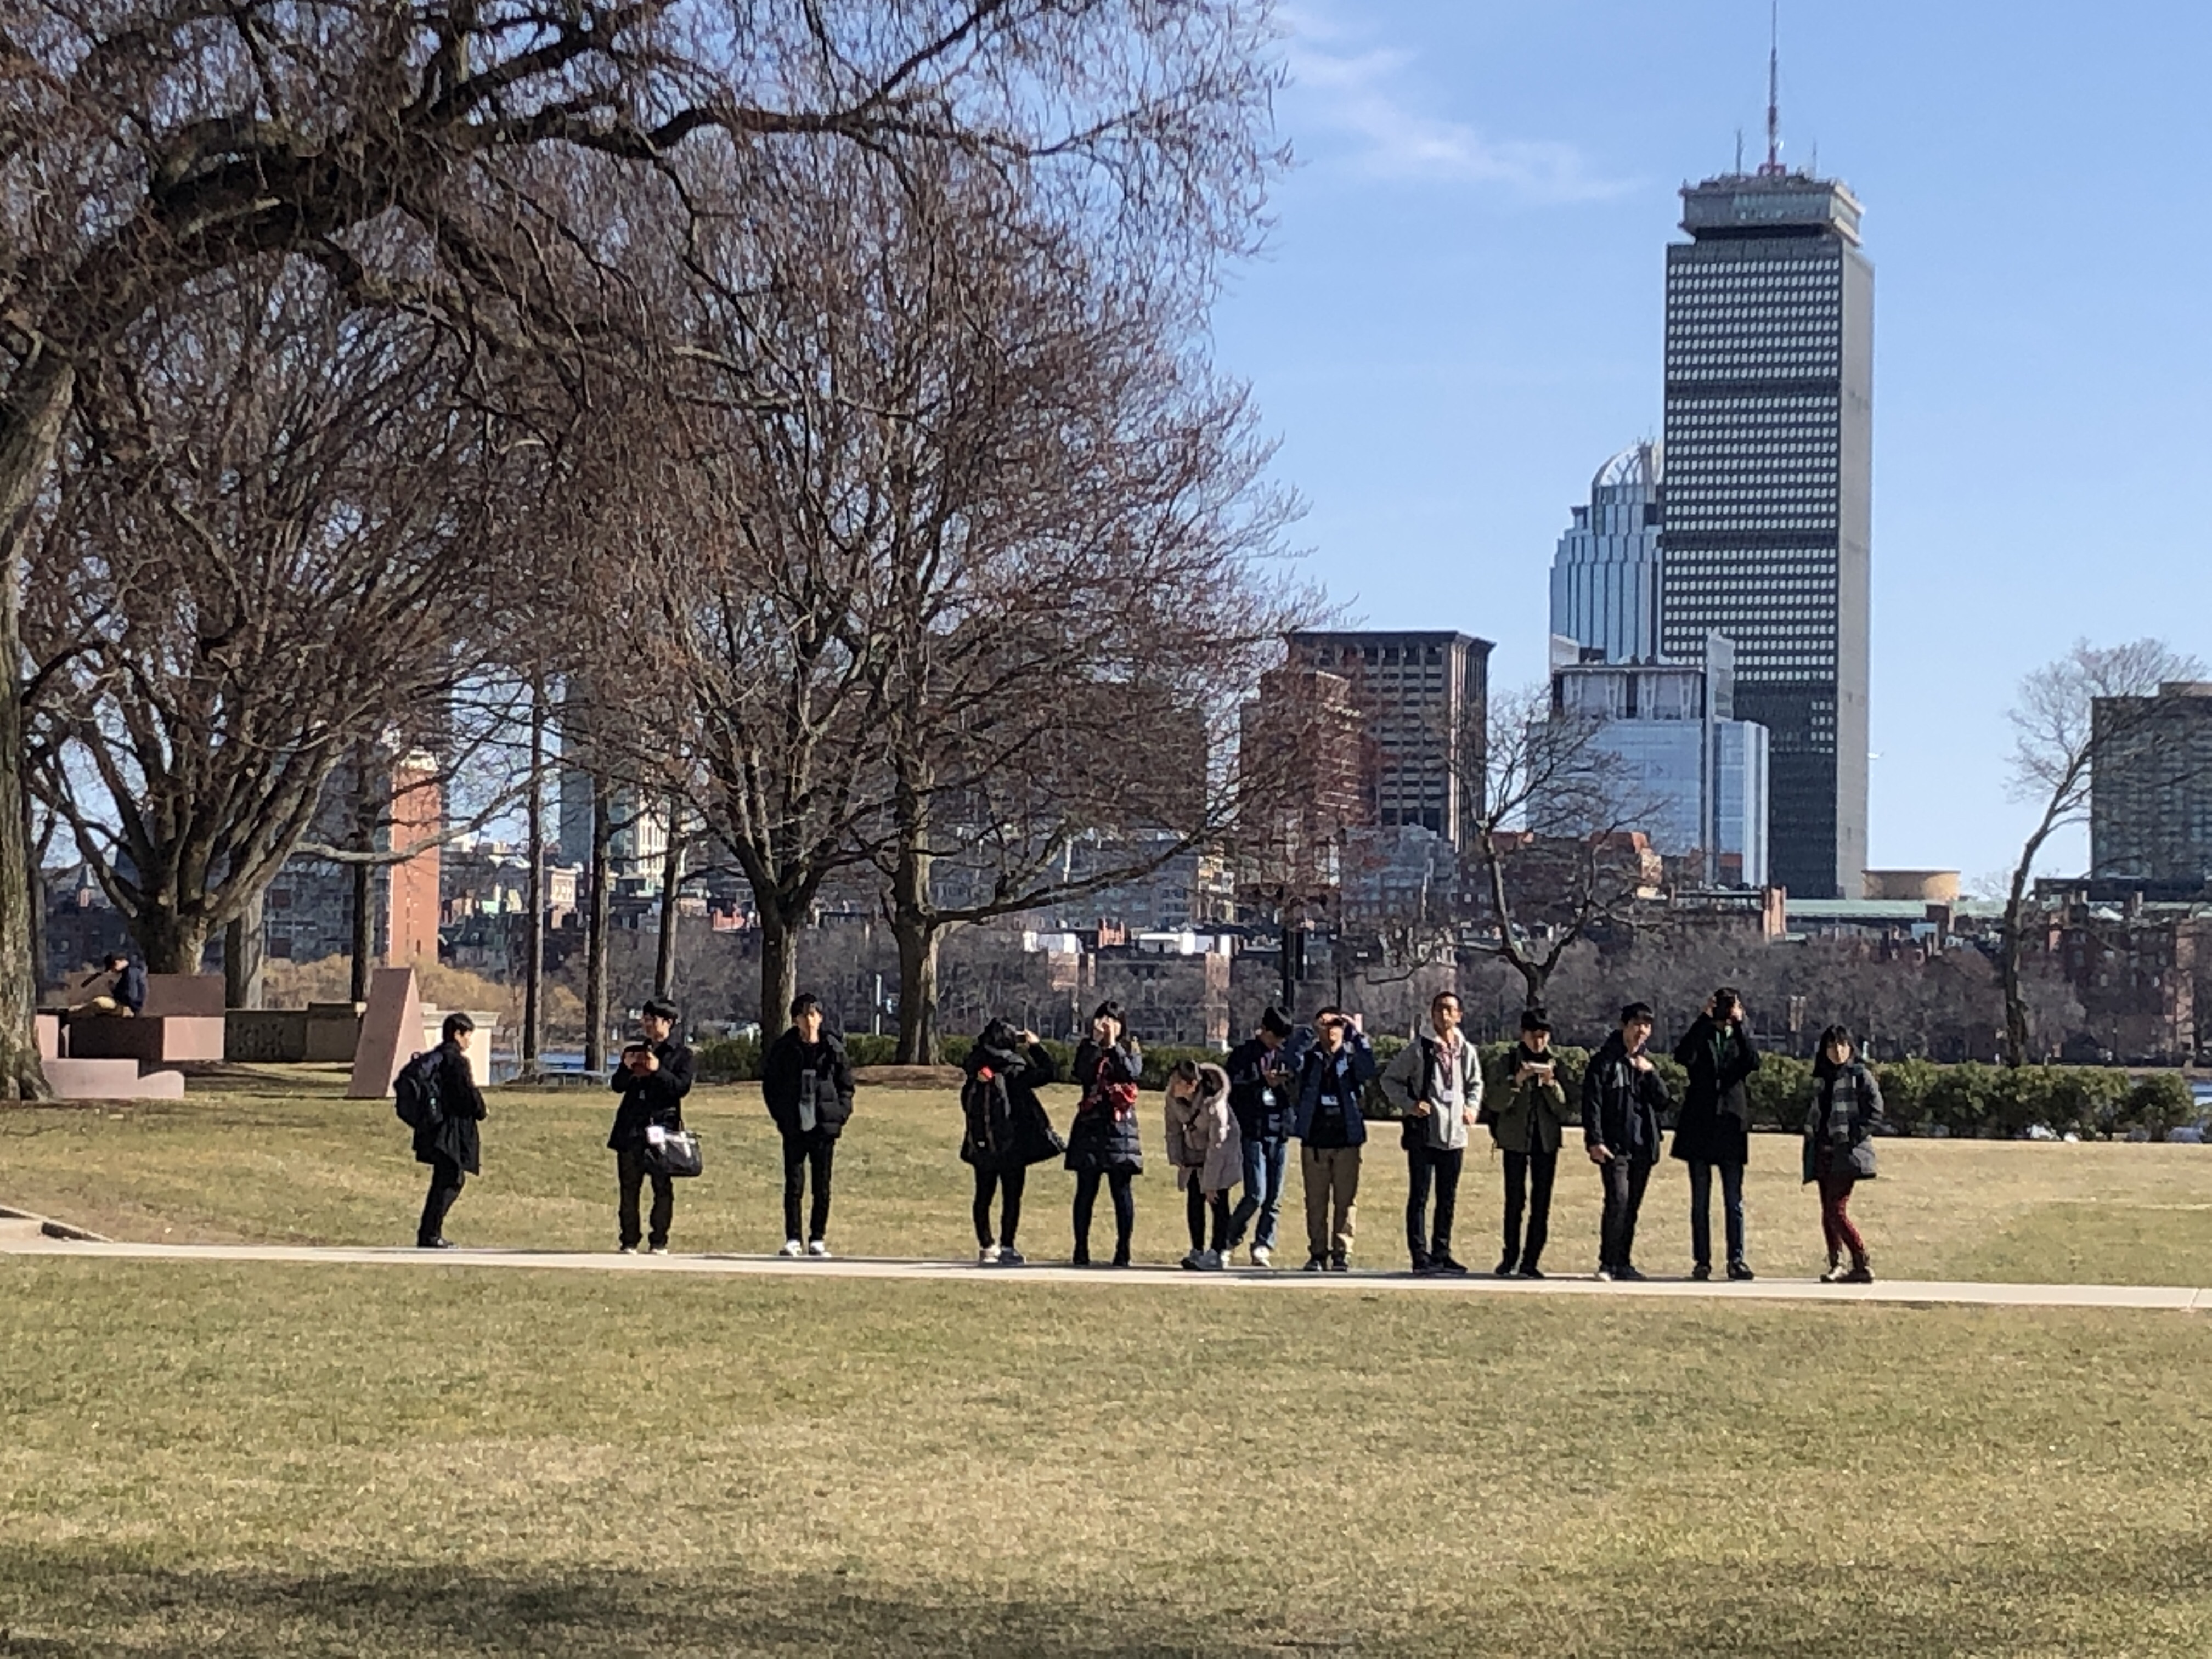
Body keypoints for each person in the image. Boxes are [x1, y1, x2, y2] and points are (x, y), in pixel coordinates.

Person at [1380, 989, 1483, 1274]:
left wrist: (1472, 1107)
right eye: (1439, 1009)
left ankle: (1442, 1253)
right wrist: (1410, 1105)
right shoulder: (1419, 1049)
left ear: (1459, 1016)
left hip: (1455, 1135)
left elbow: (1475, 1083)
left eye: (1450, 1009)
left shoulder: (1466, 1050)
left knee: (1447, 1198)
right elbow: (1390, 1080)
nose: (1444, 1014)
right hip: (1425, 1132)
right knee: (1420, 1196)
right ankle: (1420, 1255)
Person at [1671, 985, 1763, 1282]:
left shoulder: (1738, 1037)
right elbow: (1682, 1056)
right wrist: (1703, 1019)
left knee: (1734, 1200)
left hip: (1731, 1127)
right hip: (1700, 1124)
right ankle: (1702, 1261)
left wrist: (1739, 1025)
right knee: (1700, 1201)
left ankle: (1737, 1260)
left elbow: (1753, 1062)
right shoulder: (1704, 1034)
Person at [1481, 1008, 1576, 1278]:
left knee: (1541, 1202)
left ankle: (1531, 1260)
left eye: (1544, 1035)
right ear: (1523, 1034)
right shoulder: (1507, 1061)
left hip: (1546, 1142)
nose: (1539, 1041)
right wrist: (1517, 1081)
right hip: (1515, 1141)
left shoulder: (1557, 1063)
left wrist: (1550, 1084)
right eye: (1534, 1035)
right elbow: (1494, 1102)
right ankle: (1509, 1256)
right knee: (1514, 1201)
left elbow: (1565, 1109)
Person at [960, 1019, 1063, 1266]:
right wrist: (1034, 1046)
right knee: (1011, 1197)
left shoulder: (976, 1066)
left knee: (983, 1196)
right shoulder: (1014, 1069)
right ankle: (1008, 1245)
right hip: (1013, 1143)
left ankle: (986, 1245)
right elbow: (1048, 1072)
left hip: (983, 1141)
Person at [760, 992, 855, 1259]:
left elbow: (846, 1086)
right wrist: (782, 1118)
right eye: (803, 1016)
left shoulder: (833, 1048)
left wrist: (839, 1114)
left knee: (821, 1185)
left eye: (813, 1015)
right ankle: (793, 1238)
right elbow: (771, 1086)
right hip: (795, 1125)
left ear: (820, 1018)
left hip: (823, 1125)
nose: (809, 1021)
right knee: (794, 1184)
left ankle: (817, 1238)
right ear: (795, 1020)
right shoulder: (785, 1048)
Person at [1582, 1001, 1671, 1282]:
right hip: (1614, 1146)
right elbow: (1592, 1104)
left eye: (1647, 1025)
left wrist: (1650, 1073)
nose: (1641, 1031)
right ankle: (1607, 1262)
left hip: (1643, 1145)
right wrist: (1595, 1140)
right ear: (1624, 1026)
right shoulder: (1605, 1061)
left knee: (1632, 1206)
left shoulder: (1646, 1062)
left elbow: (1663, 1102)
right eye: (1636, 1024)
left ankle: (1624, 1262)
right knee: (1618, 1200)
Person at [607, 996, 695, 1255]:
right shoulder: (635, 1050)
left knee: (662, 1187)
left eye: (652, 1019)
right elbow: (617, 1086)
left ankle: (659, 1240)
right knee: (629, 1188)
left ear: (668, 1022)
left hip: (662, 1129)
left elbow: (680, 1088)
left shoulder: (682, 1055)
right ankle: (629, 1240)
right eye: (645, 1019)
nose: (647, 1024)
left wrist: (658, 1070)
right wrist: (626, 1068)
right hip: (631, 1128)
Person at [1291, 1007, 1376, 1272]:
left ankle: (1342, 1252)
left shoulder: (1350, 1058)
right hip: (1315, 1139)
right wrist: (1310, 1031)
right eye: (1326, 1025)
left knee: (1346, 1200)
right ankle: (1317, 1253)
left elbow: (1368, 1069)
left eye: (1337, 1024)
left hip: (1346, 1138)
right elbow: (1289, 1060)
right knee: (1315, 1201)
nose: (1331, 1029)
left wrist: (1357, 1035)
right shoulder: (1310, 1058)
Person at [1065, 1000, 1143, 1267]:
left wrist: (1112, 1046)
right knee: (1085, 1190)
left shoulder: (1130, 1047)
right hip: (1090, 1126)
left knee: (1121, 1191)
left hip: (1120, 1128)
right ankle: (1081, 1248)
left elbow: (1131, 1074)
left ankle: (1123, 1250)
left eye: (1113, 1020)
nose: (1107, 1025)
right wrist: (1095, 1043)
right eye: (1102, 1020)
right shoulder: (1088, 1047)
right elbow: (1082, 1073)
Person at [1804, 1024, 1883, 1284]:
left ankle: (1861, 1260)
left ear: (1850, 1047)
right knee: (1827, 1211)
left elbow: (1875, 1110)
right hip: (1822, 1150)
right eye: (1831, 1046)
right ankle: (1836, 1263)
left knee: (1836, 1209)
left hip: (1846, 1152)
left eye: (1842, 1045)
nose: (1837, 1051)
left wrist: (1853, 1136)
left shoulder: (1860, 1075)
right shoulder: (1821, 1079)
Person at [1224, 1006, 1299, 1267]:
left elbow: (1299, 1087)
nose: (1278, 1042)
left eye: (1283, 1038)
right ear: (1264, 1030)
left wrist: (1286, 1081)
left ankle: (1263, 1244)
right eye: (1275, 1036)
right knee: (1256, 1193)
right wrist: (1262, 1083)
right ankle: (1229, 1238)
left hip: (1279, 1130)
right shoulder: (1243, 1055)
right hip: (1253, 1131)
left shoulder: (1285, 1055)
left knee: (1274, 1197)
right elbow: (1231, 1090)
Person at [414, 1013, 488, 1249]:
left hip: (434, 1126)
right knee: (451, 1179)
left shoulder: (435, 1058)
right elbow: (466, 1094)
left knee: (445, 1178)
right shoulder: (456, 1061)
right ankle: (430, 1234)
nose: (469, 1042)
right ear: (457, 1034)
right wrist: (480, 1109)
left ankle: (429, 1233)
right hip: (451, 1129)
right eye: (468, 1036)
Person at [1164, 1058, 1242, 1271]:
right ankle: (1196, 1249)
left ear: (1192, 1085)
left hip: (1222, 1150)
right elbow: (1172, 1129)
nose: (1172, 1086)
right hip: (1194, 1149)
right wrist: (1178, 1158)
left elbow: (1218, 1144)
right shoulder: (1173, 1098)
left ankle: (1218, 1252)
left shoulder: (1215, 1104)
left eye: (1177, 1082)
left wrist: (1211, 1184)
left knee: (1217, 1199)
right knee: (1194, 1197)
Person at [63, 952, 146, 1026]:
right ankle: (73, 1012)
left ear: (117, 963)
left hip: (128, 1008)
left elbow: (131, 996)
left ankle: (71, 1014)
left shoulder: (131, 973)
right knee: (97, 1004)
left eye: (112, 967)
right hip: (128, 1007)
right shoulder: (131, 972)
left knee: (100, 1003)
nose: (113, 971)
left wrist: (117, 993)